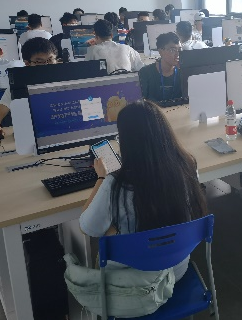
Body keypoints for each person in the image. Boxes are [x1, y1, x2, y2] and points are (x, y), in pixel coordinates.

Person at [79, 100, 207, 281]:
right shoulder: (187, 165)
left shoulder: (116, 184)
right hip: (176, 271)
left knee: (109, 231)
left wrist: (101, 178)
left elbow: (87, 228)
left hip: (132, 282)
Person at [0, 37, 58, 139]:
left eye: (50, 59)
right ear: (27, 63)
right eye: (39, 61)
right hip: (36, 137)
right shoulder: (19, 86)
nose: (47, 65)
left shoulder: (68, 80)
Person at [139, 32, 182, 102]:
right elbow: (143, 101)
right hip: (153, 109)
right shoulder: (146, 72)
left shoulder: (182, 72)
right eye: (172, 50)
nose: (177, 54)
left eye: (179, 50)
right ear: (161, 52)